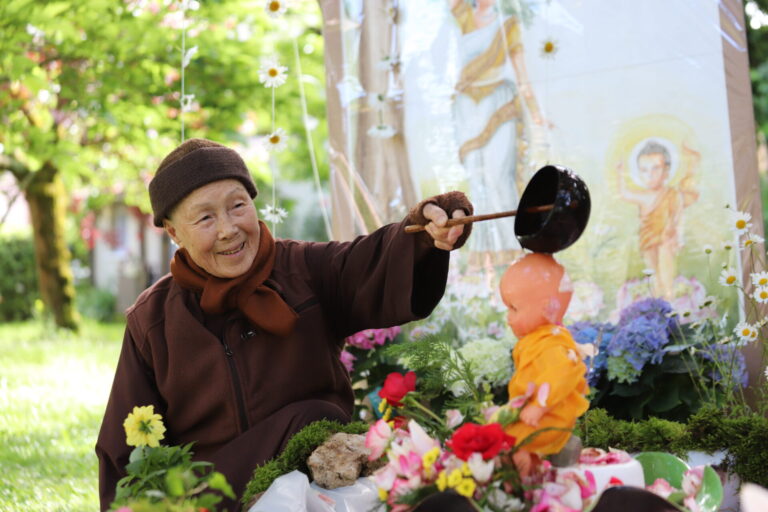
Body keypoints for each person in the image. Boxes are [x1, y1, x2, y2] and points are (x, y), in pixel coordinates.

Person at [95, 138, 474, 511]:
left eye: (237, 206)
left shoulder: (305, 269)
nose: (228, 229)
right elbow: (123, 451)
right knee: (304, 416)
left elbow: (373, 259)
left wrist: (426, 229)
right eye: (206, 217)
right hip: (220, 498)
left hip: (327, 478)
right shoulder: (153, 319)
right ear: (175, 233)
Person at [447, 0, 549, 268]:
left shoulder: (509, 24)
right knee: (477, 180)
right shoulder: (464, 16)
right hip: (467, 110)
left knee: (498, 176)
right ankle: (484, 259)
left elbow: (522, 76)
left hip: (499, 104)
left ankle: (514, 250)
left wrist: (537, 114)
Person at [499, 253, 589, 459]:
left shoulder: (552, 344)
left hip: (550, 416)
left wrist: (540, 406)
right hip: (531, 412)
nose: (508, 318)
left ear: (546, 307)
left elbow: (561, 376)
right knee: (499, 430)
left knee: (512, 440)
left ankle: (531, 468)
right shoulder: (536, 338)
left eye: (514, 308)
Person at [616, 139, 700, 299]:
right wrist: (620, 173)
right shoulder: (644, 196)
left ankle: (669, 299)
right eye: (644, 170)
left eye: (656, 168)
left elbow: (688, 191)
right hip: (648, 240)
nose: (650, 175)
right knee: (654, 273)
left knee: (666, 271)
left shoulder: (673, 194)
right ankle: (658, 301)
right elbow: (624, 193)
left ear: (667, 171)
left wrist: (692, 161)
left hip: (667, 240)